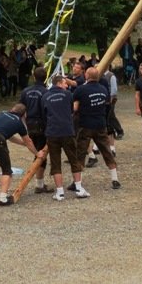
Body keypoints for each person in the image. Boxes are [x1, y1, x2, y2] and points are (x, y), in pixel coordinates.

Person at [73, 67, 121, 192]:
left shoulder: (81, 90)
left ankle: (77, 182)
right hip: (100, 124)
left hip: (86, 125)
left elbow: (75, 108)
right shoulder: (103, 89)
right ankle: (115, 179)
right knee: (106, 151)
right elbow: (106, 104)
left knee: (80, 153)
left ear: (86, 76)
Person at [42, 72, 84, 201]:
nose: (67, 85)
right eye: (65, 83)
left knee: (55, 162)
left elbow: (44, 114)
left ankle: (60, 192)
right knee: (74, 159)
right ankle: (79, 188)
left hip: (52, 132)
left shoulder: (45, 96)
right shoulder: (68, 95)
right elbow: (72, 110)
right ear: (59, 83)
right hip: (67, 131)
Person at [20, 66, 50, 193]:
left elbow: (21, 109)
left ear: (33, 76)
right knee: (41, 154)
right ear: (45, 78)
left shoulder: (25, 91)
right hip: (42, 125)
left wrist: (24, 125)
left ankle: (40, 183)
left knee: (38, 152)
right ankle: (39, 184)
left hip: (30, 124)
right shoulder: (46, 92)